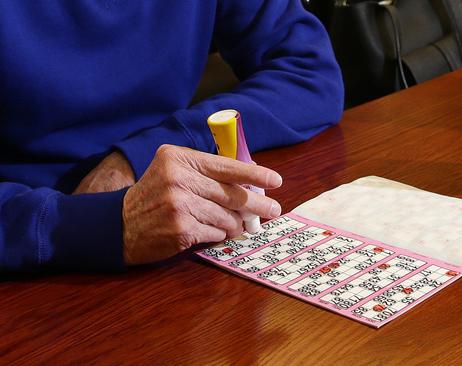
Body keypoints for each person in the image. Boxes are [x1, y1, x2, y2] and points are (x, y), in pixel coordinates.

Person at [0, 1, 344, 271]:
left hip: (173, 235)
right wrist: (98, 223)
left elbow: (310, 75)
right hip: (30, 249)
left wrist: (143, 155)